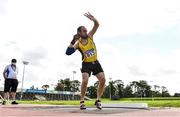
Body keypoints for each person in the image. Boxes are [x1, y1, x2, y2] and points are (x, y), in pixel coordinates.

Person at [66, 12, 106, 110]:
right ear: (79, 33)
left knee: (103, 80)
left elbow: (97, 25)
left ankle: (98, 100)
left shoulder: (90, 36)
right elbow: (68, 52)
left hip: (95, 62)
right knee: (85, 80)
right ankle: (82, 101)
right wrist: (72, 41)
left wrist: (93, 19)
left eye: (86, 30)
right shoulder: (78, 43)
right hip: (86, 64)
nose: (86, 31)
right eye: (84, 31)